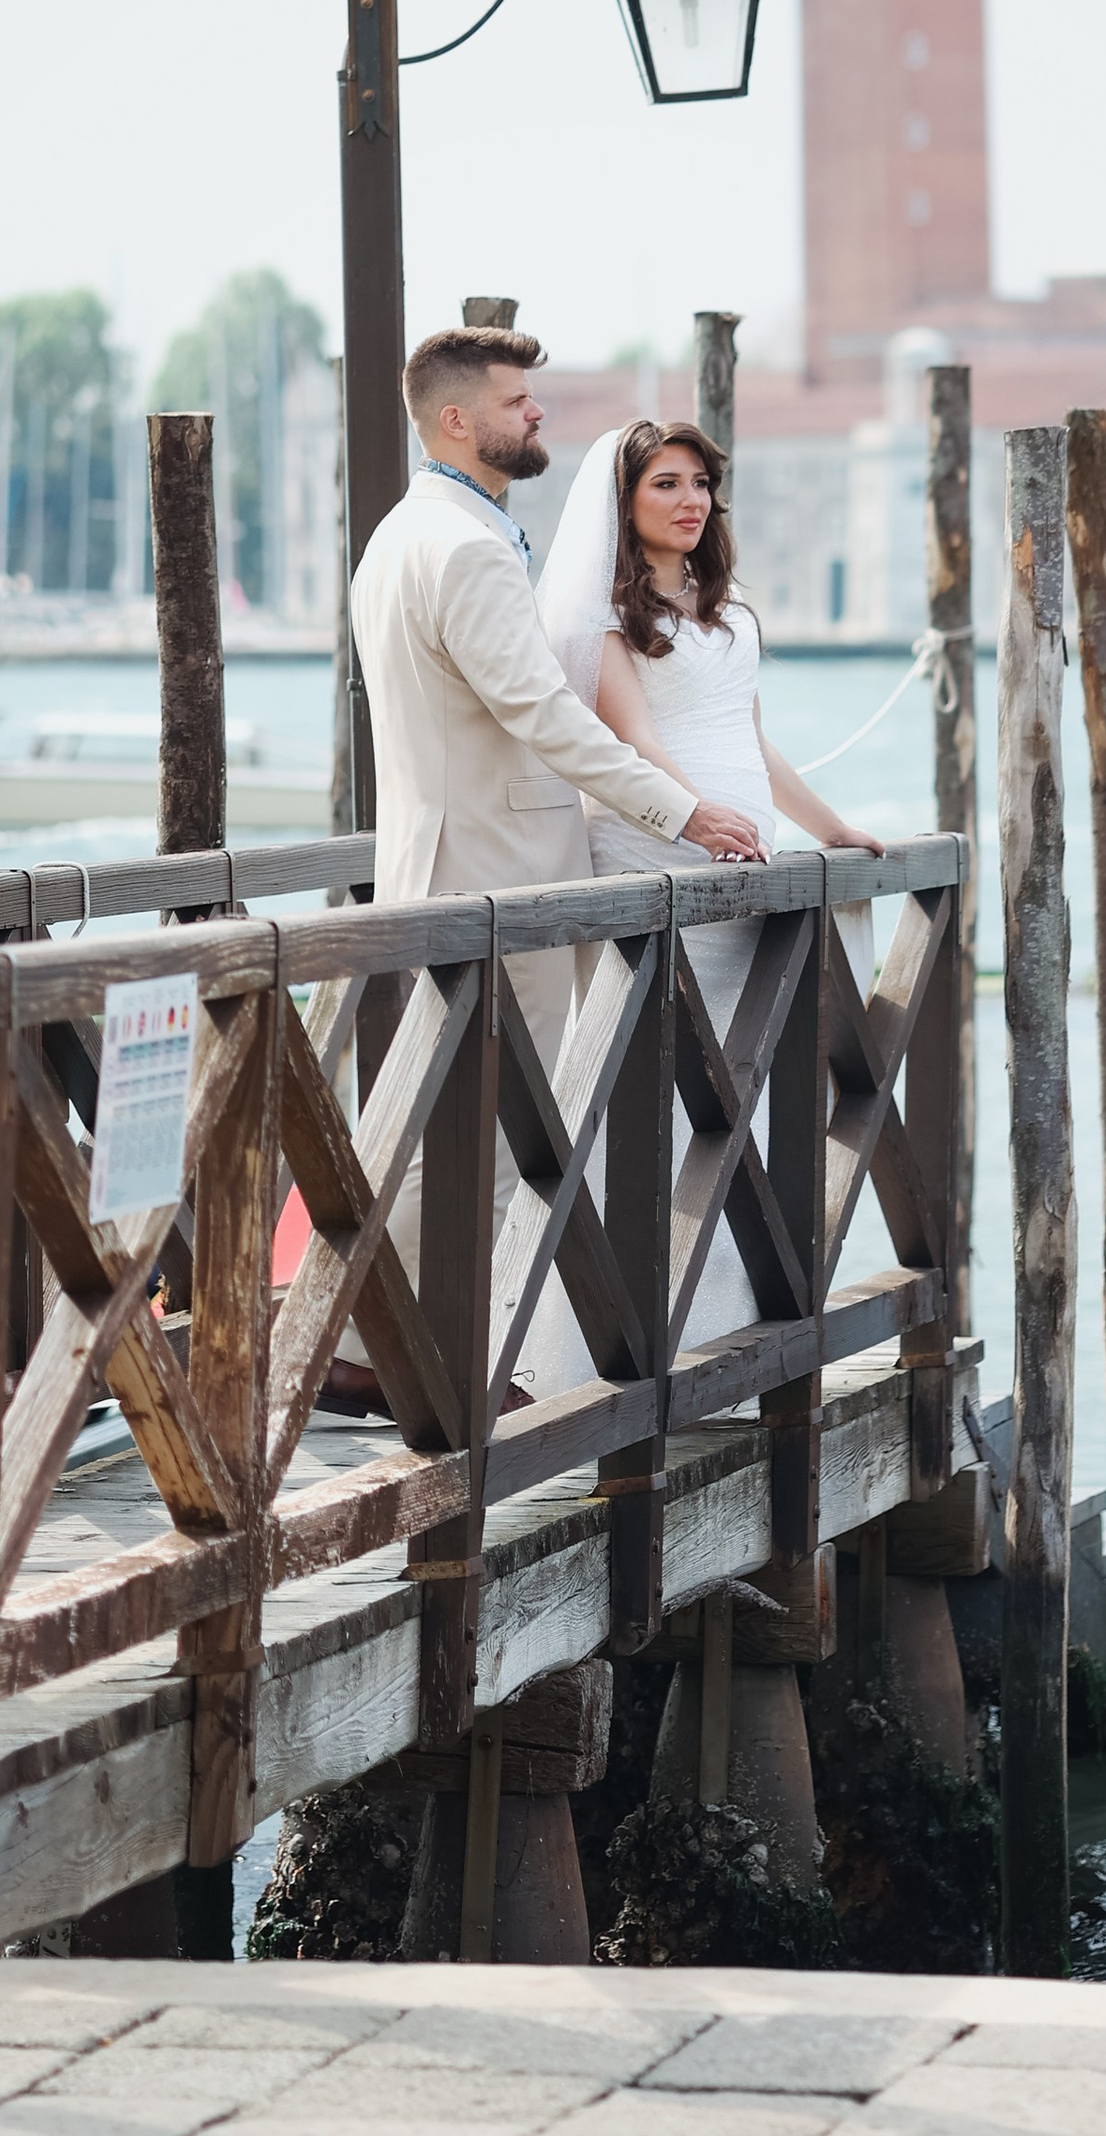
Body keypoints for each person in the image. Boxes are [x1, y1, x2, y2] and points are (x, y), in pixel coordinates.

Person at [340, 335, 766, 1398]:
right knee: (505, 1126)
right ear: (454, 422)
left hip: (435, 857)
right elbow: (541, 716)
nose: (536, 417)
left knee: (453, 1117)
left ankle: (376, 1350)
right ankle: (456, 1369)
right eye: (517, 403)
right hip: (499, 867)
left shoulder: (399, 535)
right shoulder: (471, 550)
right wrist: (683, 811)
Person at [505, 415, 882, 1393]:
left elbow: (749, 738)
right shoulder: (606, 618)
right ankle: (581, 1343)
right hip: (659, 845)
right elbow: (633, 745)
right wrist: (697, 821)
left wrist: (828, 826)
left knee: (733, 1095)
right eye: (664, 484)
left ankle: (720, 1326)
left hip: (745, 855)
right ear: (624, 504)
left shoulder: (729, 608)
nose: (689, 501)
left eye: (700, 483)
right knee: (652, 1083)